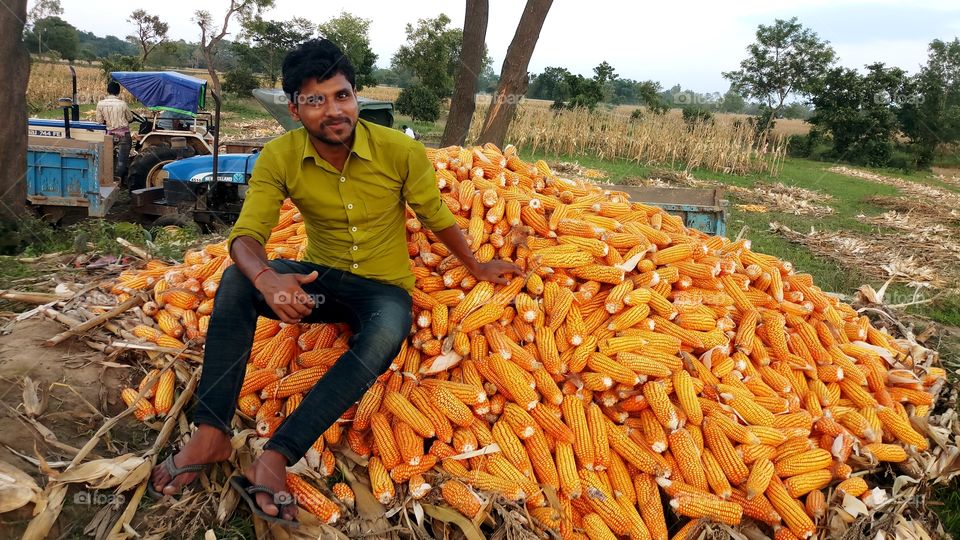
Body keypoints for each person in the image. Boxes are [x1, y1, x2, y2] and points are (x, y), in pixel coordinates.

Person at [148, 39, 519, 525]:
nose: (333, 110)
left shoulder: (400, 151)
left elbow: (436, 216)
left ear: (355, 95)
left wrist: (475, 265)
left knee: (387, 331)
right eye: (315, 101)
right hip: (318, 280)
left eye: (341, 95)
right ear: (295, 108)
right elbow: (247, 235)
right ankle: (212, 432)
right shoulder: (279, 156)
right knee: (237, 282)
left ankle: (278, 454)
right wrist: (266, 278)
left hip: (383, 288)